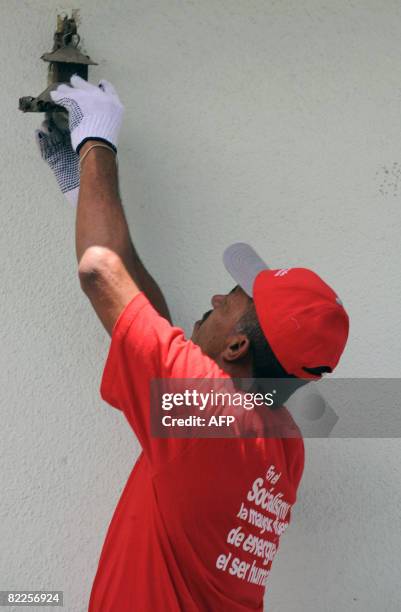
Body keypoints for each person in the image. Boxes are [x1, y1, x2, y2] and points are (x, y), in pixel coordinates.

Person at [35, 76, 349, 611]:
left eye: (230, 300)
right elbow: (153, 330)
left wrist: (97, 142)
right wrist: (83, 193)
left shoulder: (208, 413)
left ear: (235, 349)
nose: (214, 298)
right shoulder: (280, 443)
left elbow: (99, 271)